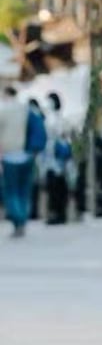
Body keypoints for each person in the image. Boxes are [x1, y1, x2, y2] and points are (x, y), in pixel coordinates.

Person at [0, 86, 33, 237]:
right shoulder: (26, 110)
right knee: (24, 190)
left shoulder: (4, 111)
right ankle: (23, 219)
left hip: (10, 156)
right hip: (27, 155)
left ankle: (18, 220)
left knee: (11, 191)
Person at [44, 92, 72, 225]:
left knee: (55, 188)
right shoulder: (59, 119)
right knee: (58, 187)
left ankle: (56, 213)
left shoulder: (53, 119)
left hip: (55, 158)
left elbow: (57, 138)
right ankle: (58, 213)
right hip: (56, 159)